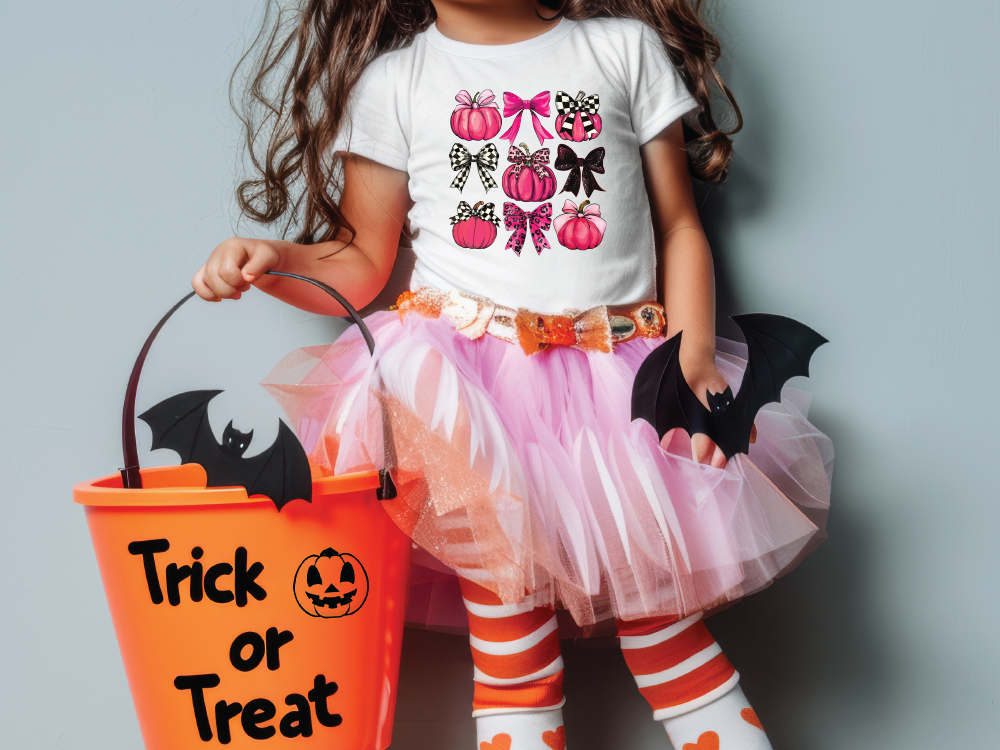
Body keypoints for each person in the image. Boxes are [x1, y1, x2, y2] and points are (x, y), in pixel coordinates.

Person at [194, 2, 833, 748]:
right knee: (511, 648)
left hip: (619, 391)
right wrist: (274, 263)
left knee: (666, 628)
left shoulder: (621, 50)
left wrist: (690, 363)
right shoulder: (396, 83)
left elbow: (680, 224)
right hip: (467, 397)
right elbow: (362, 262)